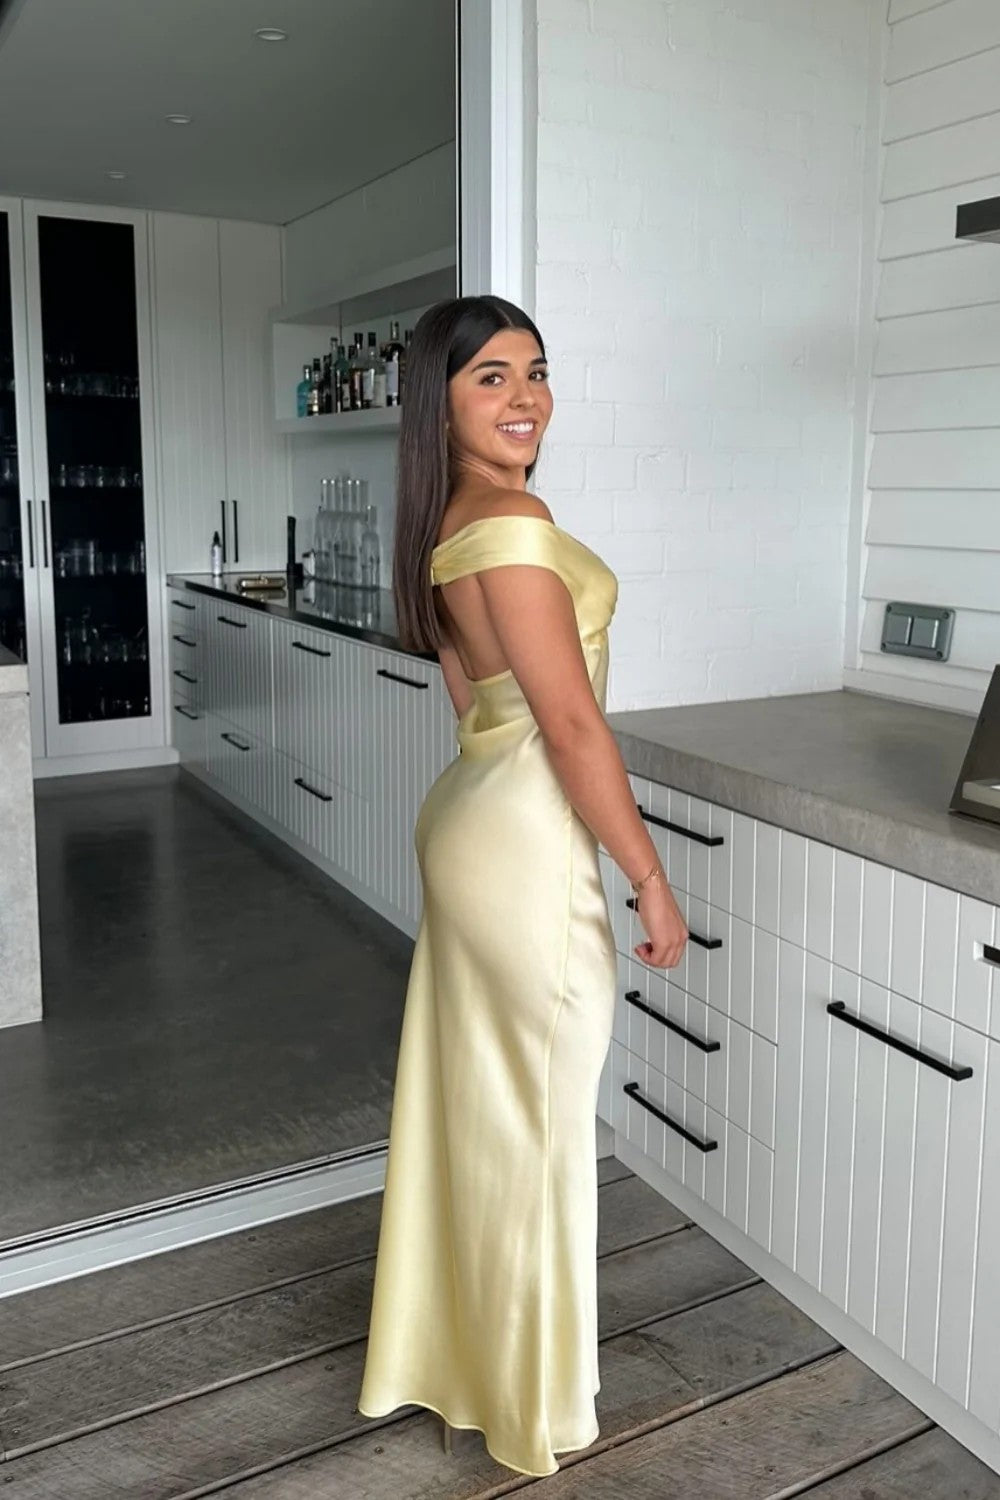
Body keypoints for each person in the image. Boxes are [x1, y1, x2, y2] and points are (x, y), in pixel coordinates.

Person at [355, 294, 688, 1477]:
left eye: (534, 371)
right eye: (489, 376)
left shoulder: (440, 524)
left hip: (471, 818)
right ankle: (525, 1402)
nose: (524, 397)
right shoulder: (511, 520)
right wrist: (646, 875)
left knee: (479, 1113)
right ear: (438, 403)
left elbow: (476, 705)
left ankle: (463, 1364)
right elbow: (569, 725)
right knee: (535, 1127)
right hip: (525, 842)